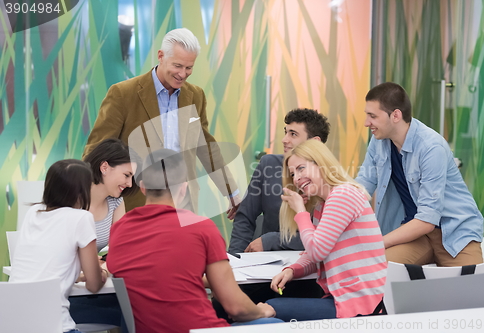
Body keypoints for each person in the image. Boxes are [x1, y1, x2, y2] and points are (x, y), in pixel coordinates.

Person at [107, 149, 281, 333]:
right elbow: (235, 307)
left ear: (142, 187)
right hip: (201, 329)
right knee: (277, 324)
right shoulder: (201, 229)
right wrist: (260, 311)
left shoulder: (120, 229)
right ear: (184, 188)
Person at [83, 27, 239, 217]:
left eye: (189, 67)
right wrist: (86, 196)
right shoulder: (123, 94)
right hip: (138, 200)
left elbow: (206, 146)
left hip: (184, 202)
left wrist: (231, 191)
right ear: (161, 56)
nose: (183, 74)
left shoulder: (195, 96)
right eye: (177, 66)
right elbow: (97, 149)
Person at [355, 82, 484, 266]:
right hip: (414, 233)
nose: (367, 123)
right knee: (371, 268)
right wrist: (330, 198)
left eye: (372, 116)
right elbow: (363, 184)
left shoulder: (431, 147)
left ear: (396, 115)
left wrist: (376, 243)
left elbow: (426, 220)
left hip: (454, 233)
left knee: (466, 291)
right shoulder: (379, 141)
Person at [267, 140, 387, 320]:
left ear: (320, 163)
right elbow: (317, 251)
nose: (296, 178)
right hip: (343, 299)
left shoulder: (342, 195)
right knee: (273, 300)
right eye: (292, 174)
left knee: (271, 307)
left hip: (362, 305)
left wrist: (300, 212)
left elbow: (317, 251)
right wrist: (292, 270)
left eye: (301, 168)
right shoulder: (323, 205)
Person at [10, 159, 107, 333]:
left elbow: (47, 265)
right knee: (124, 312)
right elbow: (94, 285)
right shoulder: (81, 218)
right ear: (81, 191)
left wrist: (78, 275)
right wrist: (104, 271)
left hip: (13, 321)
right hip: (54, 326)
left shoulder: (33, 212)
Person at [228, 108, 330, 254]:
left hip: (310, 264)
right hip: (267, 263)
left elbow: (324, 238)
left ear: (314, 142)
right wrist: (234, 261)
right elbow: (245, 217)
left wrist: (273, 240)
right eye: (285, 132)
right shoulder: (268, 164)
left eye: (293, 134)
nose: (284, 140)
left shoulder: (330, 181)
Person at [69, 138, 139, 328]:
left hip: (93, 288)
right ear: (105, 167)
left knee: (138, 309)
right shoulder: (69, 198)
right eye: (126, 175)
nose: (130, 183)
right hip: (65, 294)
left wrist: (104, 266)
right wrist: (96, 267)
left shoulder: (116, 203)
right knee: (133, 314)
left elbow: (122, 252)